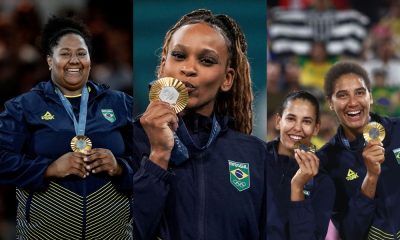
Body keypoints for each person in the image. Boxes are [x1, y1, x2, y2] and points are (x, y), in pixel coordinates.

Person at [132, 9, 268, 240]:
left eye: (206, 60)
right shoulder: (128, 140)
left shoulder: (255, 154)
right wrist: (158, 157)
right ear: (164, 65)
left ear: (227, 79)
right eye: (179, 56)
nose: (189, 69)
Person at [0, 16, 134, 239]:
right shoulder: (23, 106)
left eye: (81, 53)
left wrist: (120, 167)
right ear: (50, 60)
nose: (75, 60)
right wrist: (48, 168)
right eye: (65, 53)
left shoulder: (120, 103)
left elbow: (150, 161)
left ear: (90, 59)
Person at [317, 61, 400, 239]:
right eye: (342, 95)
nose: (353, 102)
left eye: (360, 93)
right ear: (330, 103)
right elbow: (351, 232)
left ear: (370, 96)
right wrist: (370, 177)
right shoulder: (325, 162)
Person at [266, 90, 335, 239]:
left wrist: (297, 188)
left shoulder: (323, 182)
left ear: (316, 128)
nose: (297, 128)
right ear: (278, 121)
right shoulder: (255, 159)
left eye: (306, 121)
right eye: (291, 119)